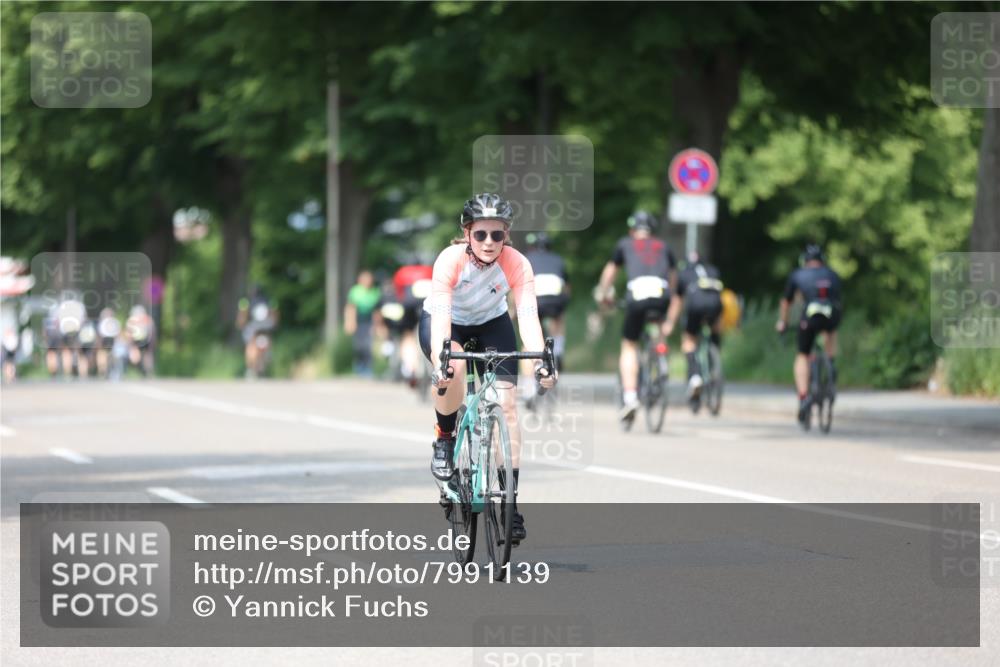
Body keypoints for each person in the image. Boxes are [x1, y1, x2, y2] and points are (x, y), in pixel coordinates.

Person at [420, 193, 556, 543]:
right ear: (467, 233)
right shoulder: (450, 260)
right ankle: (444, 438)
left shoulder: (517, 263)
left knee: (507, 407)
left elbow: (527, 316)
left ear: (507, 236)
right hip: (447, 322)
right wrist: (441, 360)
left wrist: (541, 360)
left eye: (498, 235)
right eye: (481, 234)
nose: (489, 242)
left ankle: (510, 502)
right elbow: (442, 320)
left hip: (492, 323)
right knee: (451, 369)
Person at [595, 211, 677, 423]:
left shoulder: (625, 244)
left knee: (629, 345)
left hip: (637, 296)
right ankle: (660, 358)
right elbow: (673, 277)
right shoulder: (663, 246)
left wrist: (604, 294)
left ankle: (630, 397)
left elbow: (610, 272)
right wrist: (670, 298)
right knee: (657, 326)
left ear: (633, 231)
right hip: (662, 294)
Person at [776, 243, 843, 424]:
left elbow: (786, 302)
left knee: (803, 354)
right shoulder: (833, 274)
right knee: (831, 330)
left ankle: (804, 396)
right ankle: (830, 363)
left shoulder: (798, 274)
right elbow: (838, 298)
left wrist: (783, 322)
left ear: (805, 261)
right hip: (831, 314)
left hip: (810, 316)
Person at [664, 251, 724, 399]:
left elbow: (677, 302)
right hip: (715, 305)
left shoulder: (683, 274)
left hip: (695, 306)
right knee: (715, 328)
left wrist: (670, 323)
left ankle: (695, 376)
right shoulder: (713, 270)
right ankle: (714, 356)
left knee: (689, 340)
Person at [393, 258, 434, 387]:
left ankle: (410, 368)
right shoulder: (429, 270)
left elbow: (398, 294)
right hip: (428, 304)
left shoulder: (402, 272)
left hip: (409, 305)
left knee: (407, 335)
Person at [344, 270, 382, 377]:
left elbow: (376, 310)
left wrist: (377, 326)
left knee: (368, 345)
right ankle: (358, 367)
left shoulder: (375, 292)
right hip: (358, 320)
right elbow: (351, 307)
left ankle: (368, 368)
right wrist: (350, 322)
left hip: (369, 320)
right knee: (358, 345)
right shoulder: (355, 291)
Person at [237, 285, 279, 378]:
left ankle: (250, 367)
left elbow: (242, 316)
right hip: (267, 326)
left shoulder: (245, 301)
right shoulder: (269, 300)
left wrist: (241, 325)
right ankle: (268, 355)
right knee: (268, 339)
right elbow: (275, 314)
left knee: (249, 343)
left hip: (253, 328)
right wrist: (274, 325)